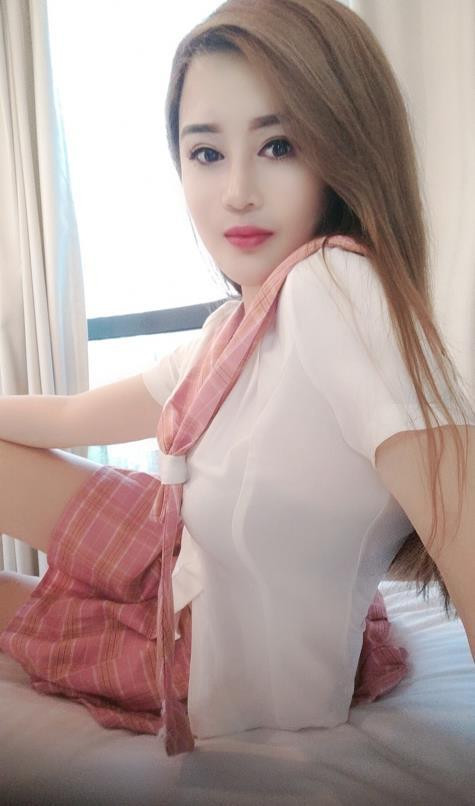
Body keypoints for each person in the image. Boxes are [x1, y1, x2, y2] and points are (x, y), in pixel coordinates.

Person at [0, 0, 474, 757]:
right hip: (180, 557)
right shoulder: (238, 325)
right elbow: (69, 417)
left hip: (210, 652)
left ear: (344, 148)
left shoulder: (333, 286)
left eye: (279, 145)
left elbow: (459, 520)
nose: (238, 192)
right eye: (206, 153)